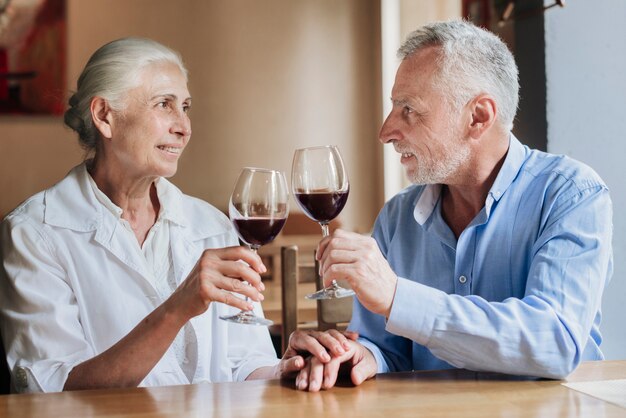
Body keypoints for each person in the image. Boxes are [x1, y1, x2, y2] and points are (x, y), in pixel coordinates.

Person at [292, 20, 614, 392]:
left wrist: (398, 297)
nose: (386, 131)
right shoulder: (397, 218)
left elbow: (554, 341)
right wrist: (358, 356)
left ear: (478, 116)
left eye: (409, 109)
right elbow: (387, 350)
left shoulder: (571, 194)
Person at [0, 37, 324, 393]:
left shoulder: (213, 226)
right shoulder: (33, 233)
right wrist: (177, 309)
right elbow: (47, 393)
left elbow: (244, 363)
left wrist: (287, 369)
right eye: (164, 105)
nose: (183, 127)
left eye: (185, 107)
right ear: (105, 116)